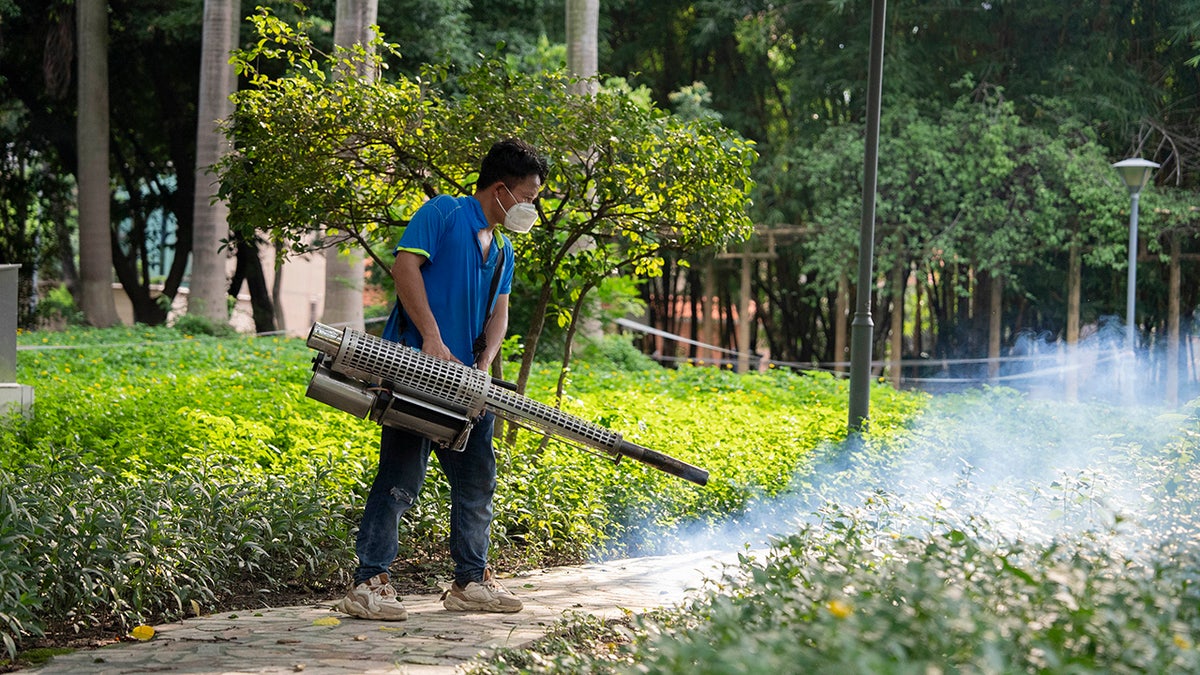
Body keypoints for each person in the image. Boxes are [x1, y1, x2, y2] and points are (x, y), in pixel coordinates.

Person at [334, 138, 548, 620]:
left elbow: (500, 313)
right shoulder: (443, 214)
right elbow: (405, 268)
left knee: (477, 479)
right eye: (529, 197)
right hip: (416, 370)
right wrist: (432, 338)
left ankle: (470, 581)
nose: (532, 207)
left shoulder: (503, 249)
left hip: (469, 385)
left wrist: (485, 361)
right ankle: (369, 582)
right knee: (401, 477)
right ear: (501, 189)